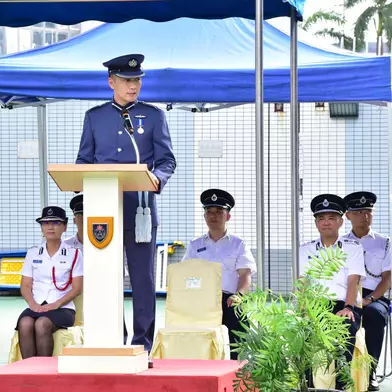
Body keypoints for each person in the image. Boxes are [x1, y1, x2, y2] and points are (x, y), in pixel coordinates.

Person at [75, 53, 176, 351]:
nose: (133, 86)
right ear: (111, 82)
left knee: (142, 281)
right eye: (126, 80)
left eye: (137, 80)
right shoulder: (95, 117)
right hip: (103, 214)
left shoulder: (154, 115)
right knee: (104, 277)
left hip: (139, 211)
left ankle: (141, 345)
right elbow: (83, 161)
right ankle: (110, 340)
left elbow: (167, 160)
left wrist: (158, 177)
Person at [299, 194, 365, 390]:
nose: (326, 223)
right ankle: (308, 384)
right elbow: (303, 283)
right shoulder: (305, 250)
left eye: (331, 218)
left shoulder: (353, 248)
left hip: (343, 304)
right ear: (316, 223)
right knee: (301, 332)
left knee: (345, 329)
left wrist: (348, 307)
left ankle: (341, 386)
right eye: (321, 218)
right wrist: (302, 310)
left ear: (340, 221)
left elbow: (353, 281)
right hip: (314, 305)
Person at [181, 189, 256, 360]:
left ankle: (238, 373)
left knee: (241, 338)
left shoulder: (238, 244)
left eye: (219, 212)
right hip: (203, 300)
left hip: (230, 300)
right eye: (209, 212)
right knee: (199, 341)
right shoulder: (195, 245)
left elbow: (245, 274)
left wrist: (239, 296)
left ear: (228, 216)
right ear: (205, 216)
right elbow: (186, 273)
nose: (213, 216)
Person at [343, 191, 392, 391]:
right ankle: (342, 372)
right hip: (348, 294)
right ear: (348, 216)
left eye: (368, 211)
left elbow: (389, 277)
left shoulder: (384, 242)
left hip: (374, 295)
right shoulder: (341, 242)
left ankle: (370, 372)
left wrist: (369, 298)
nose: (364, 216)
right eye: (358, 212)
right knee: (342, 316)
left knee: (374, 315)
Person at [17, 206, 83, 359]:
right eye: (46, 223)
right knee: (25, 323)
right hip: (37, 306)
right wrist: (33, 304)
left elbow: (77, 288)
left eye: (56, 223)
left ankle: (44, 374)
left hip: (63, 308)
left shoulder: (74, 253)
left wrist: (55, 304)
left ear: (65, 226)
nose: (50, 227)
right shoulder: (33, 253)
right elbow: (25, 285)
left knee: (41, 324)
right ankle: (29, 372)